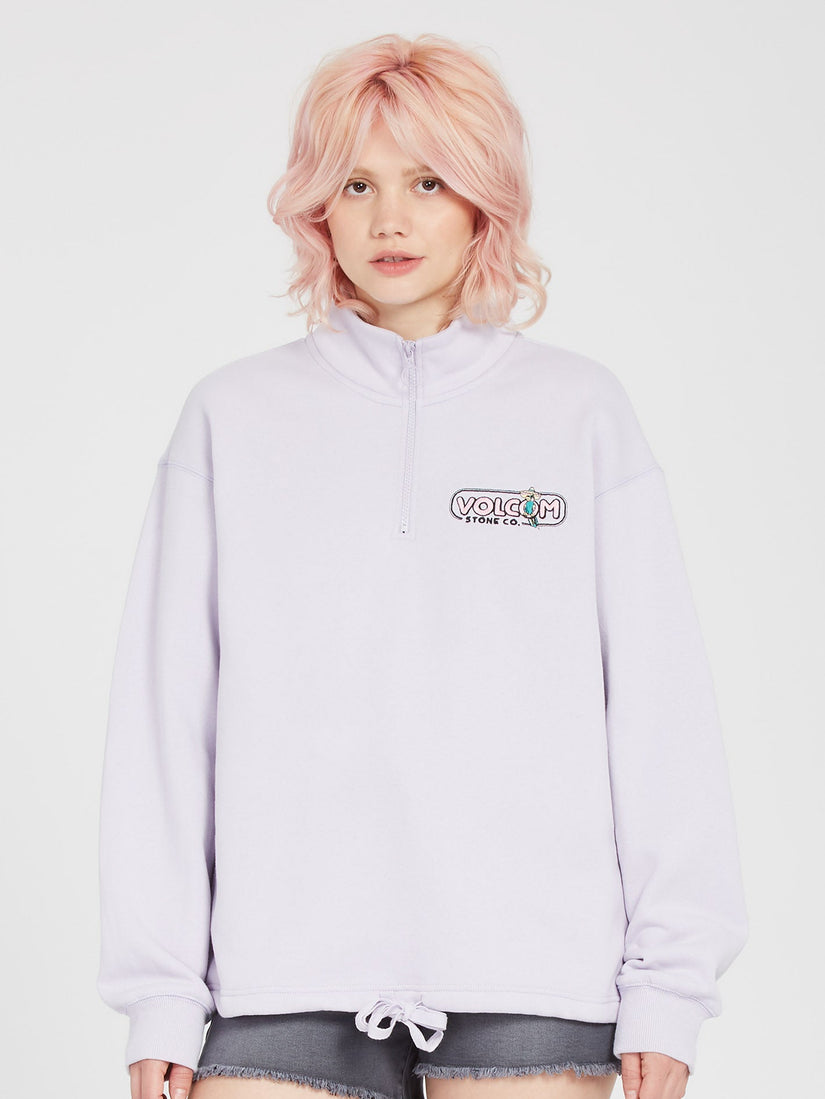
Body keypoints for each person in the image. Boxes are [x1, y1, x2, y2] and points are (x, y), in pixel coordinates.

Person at [96, 32, 749, 1099]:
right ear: (318, 205)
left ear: (483, 199)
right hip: (280, 970)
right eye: (357, 183)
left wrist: (670, 982)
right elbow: (166, 718)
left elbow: (658, 708)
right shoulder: (231, 418)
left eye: (428, 181)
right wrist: (161, 989)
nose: (389, 219)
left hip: (536, 968)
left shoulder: (580, 413)